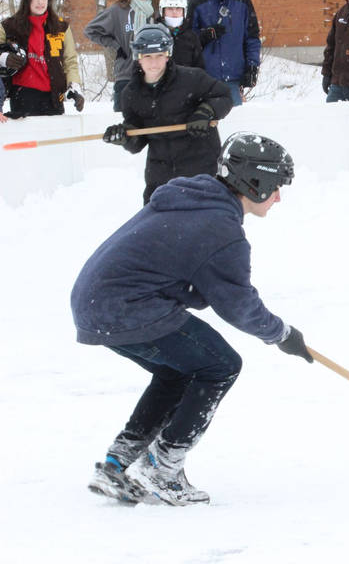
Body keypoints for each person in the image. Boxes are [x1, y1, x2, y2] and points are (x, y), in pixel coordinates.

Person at [74, 133, 312, 506]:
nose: (279, 196)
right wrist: (281, 334)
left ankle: (116, 465)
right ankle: (163, 468)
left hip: (96, 302)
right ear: (256, 181)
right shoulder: (221, 229)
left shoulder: (194, 200)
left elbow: (178, 267)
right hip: (127, 307)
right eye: (277, 186)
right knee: (221, 365)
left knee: (178, 370)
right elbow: (238, 306)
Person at [103, 24, 232, 205]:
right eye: (147, 56)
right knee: (156, 227)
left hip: (201, 171)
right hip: (161, 176)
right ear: (138, 57)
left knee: (203, 227)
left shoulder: (191, 78)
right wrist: (124, 136)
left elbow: (224, 95)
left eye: (159, 56)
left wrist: (206, 112)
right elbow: (138, 140)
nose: (154, 63)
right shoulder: (131, 94)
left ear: (168, 54)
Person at [0, 0, 84, 118]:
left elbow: (70, 60)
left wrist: (74, 86)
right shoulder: (10, 26)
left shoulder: (60, 27)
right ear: (27, 0)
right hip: (23, 95)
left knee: (53, 138)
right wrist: (3, 58)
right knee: (28, 139)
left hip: (54, 96)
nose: (40, 2)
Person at [84, 0, 159, 112]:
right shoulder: (118, 10)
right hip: (126, 75)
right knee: (123, 124)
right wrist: (116, 46)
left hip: (154, 76)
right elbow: (90, 30)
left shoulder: (157, 10)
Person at [188, 0, 261, 106]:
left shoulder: (243, 2)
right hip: (206, 78)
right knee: (208, 122)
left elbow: (252, 37)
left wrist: (252, 66)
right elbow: (188, 39)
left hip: (233, 76)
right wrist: (205, 35)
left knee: (236, 123)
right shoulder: (198, 4)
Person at [158, 0, 204, 69]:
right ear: (162, 11)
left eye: (178, 8)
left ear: (184, 12)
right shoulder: (155, 35)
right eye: (170, 8)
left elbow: (199, 67)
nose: (174, 12)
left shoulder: (192, 37)